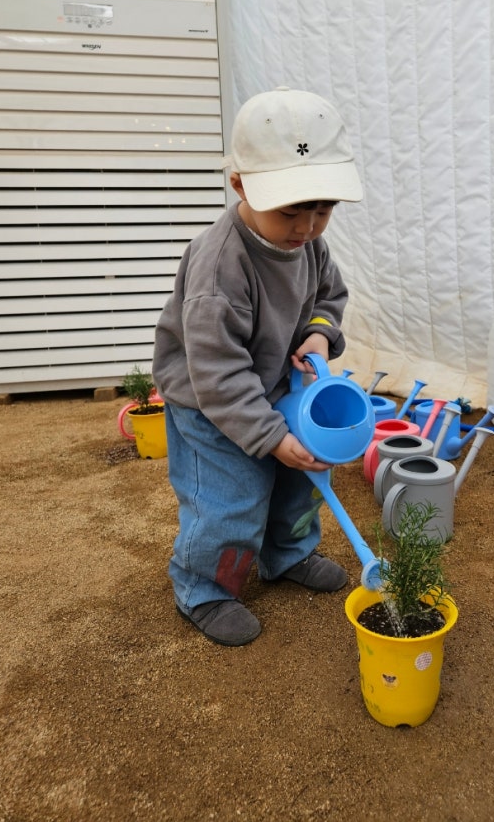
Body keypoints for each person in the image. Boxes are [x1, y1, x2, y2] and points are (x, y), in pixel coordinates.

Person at [152, 86, 363, 647]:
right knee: (232, 497)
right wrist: (268, 436)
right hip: (210, 403)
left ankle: (286, 553)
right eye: (292, 209)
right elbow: (216, 372)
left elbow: (329, 297)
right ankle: (204, 588)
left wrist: (320, 336)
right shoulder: (221, 267)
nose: (309, 226)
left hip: (276, 388)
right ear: (240, 183)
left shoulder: (308, 246)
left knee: (302, 479)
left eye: (324, 209)